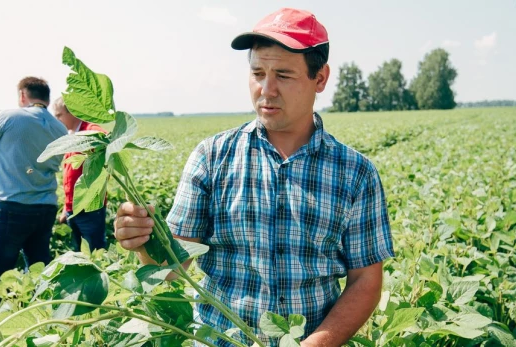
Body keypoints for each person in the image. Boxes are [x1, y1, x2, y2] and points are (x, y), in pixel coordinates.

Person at [114, 8, 394, 346]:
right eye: (258, 73)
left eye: (284, 75)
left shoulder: (355, 173)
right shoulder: (212, 157)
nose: (267, 89)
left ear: (320, 78)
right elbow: (170, 267)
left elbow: (365, 279)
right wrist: (144, 241)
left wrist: (316, 343)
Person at [0, 77, 68, 293]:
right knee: (37, 272)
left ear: (23, 95)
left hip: (12, 208)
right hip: (46, 208)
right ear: (47, 99)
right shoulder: (60, 128)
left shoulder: (8, 116)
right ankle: (38, 318)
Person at [53, 97, 108, 252]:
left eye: (59, 115)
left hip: (89, 207)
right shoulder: (71, 135)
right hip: (73, 208)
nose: (57, 120)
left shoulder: (90, 130)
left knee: (95, 251)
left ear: (73, 112)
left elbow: (106, 141)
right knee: (79, 252)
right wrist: (66, 207)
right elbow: (71, 176)